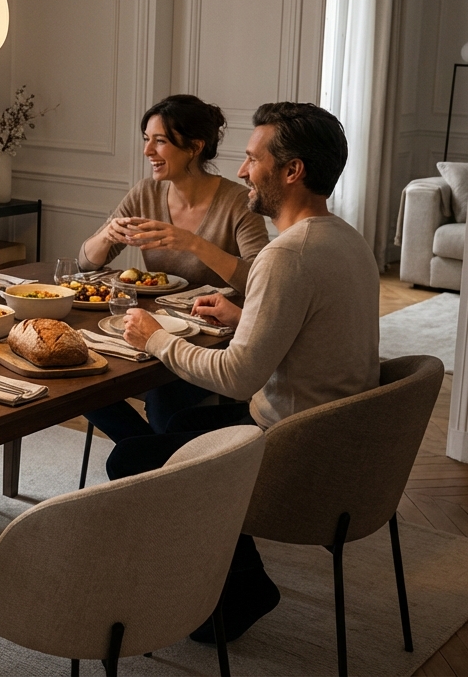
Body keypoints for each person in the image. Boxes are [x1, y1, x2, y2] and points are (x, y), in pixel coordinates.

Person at [110, 101, 380, 643]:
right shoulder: (345, 238)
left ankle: (239, 585)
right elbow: (308, 330)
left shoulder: (288, 254)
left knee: (131, 459)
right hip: (336, 438)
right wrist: (246, 314)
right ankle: (219, 559)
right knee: (166, 436)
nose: (240, 169)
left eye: (252, 158)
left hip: (289, 448)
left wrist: (153, 337)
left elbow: (235, 377)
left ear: (291, 171)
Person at [80, 95, 269, 441]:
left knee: (165, 403)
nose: (147, 151)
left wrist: (193, 243)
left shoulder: (237, 203)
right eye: (146, 139)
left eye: (160, 141)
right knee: (85, 381)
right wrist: (107, 235)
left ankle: (153, 462)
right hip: (150, 329)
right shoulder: (145, 194)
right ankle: (153, 461)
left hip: (214, 342)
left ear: (195, 147)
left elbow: (260, 280)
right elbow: (85, 262)